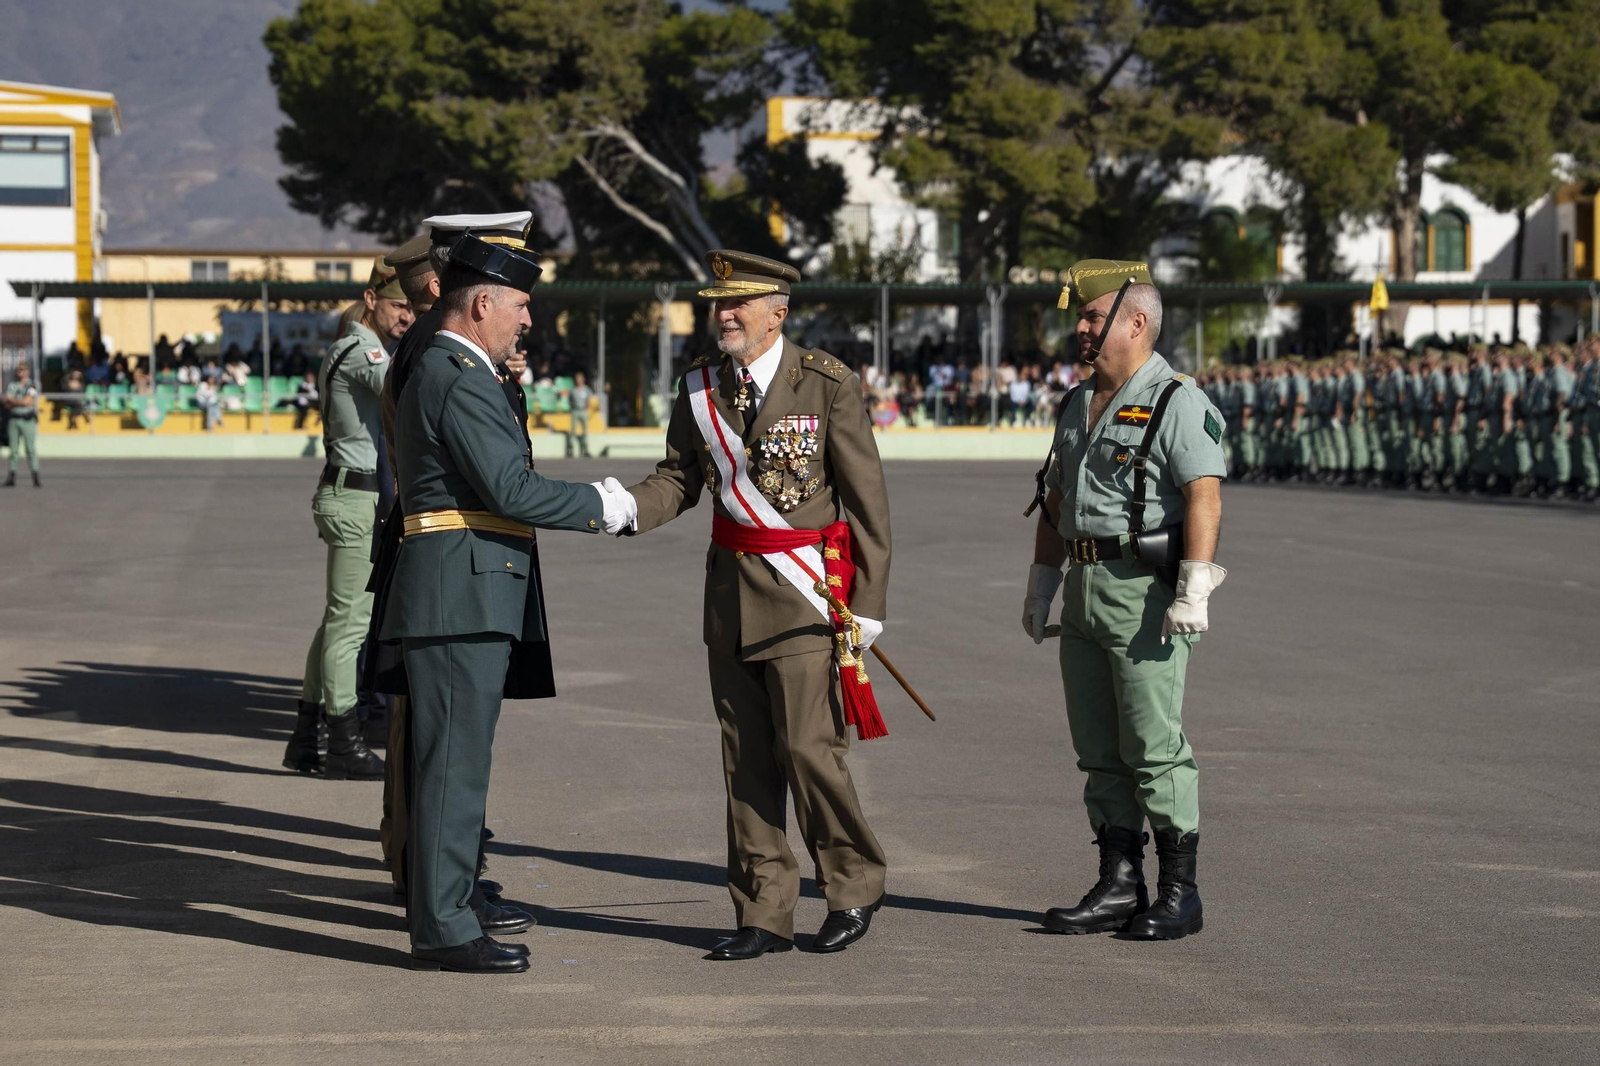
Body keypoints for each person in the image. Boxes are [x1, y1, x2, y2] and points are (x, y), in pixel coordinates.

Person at [615, 249, 893, 961]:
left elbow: (866, 504)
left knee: (808, 750)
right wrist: (622, 510)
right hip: (730, 598)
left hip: (804, 596)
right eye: (718, 303)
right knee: (746, 763)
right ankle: (764, 911)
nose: (725, 314)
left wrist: (868, 603)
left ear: (779, 310)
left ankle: (853, 884)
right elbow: (677, 479)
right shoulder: (701, 387)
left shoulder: (826, 383)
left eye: (738, 303)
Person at [378, 229, 632, 974]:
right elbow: (512, 489)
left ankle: (444, 915)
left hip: (461, 587)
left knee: (449, 766)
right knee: (453, 768)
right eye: (520, 304)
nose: (527, 319)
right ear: (483, 301)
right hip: (460, 592)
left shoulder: (456, 367)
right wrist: (607, 505)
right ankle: (446, 927)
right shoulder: (456, 374)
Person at [1022, 258, 1226, 941]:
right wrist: (1042, 582)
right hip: (1084, 588)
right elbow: (1055, 496)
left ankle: (1179, 891)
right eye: (1080, 317)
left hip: (1144, 593)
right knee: (1098, 747)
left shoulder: (1175, 400)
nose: (1078, 329)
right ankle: (1118, 882)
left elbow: (1203, 492)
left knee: (1153, 745)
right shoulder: (1078, 402)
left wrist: (1195, 585)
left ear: (1135, 323)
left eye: (1090, 316)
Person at [281, 256, 412, 780]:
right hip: (355, 498)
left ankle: (305, 735)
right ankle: (342, 740)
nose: (407, 316)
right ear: (372, 300)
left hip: (347, 493)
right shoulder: (362, 349)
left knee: (336, 620)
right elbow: (408, 389)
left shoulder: (349, 347)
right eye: (401, 306)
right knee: (350, 624)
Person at [4, 362, 41, 488]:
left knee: (30, 449)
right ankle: (12, 476)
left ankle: (35, 476)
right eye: (19, 370)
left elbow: (27, 401)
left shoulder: (32, 385)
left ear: (28, 371)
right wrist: (19, 402)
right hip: (14, 419)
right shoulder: (12, 385)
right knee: (13, 450)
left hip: (27, 420)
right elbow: (6, 400)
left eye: (23, 370)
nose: (21, 372)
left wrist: (13, 401)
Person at [564, 371, 593, 457]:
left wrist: (588, 407)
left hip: (583, 410)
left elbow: (589, 399)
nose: (579, 381)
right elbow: (570, 400)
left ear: (583, 380)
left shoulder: (586, 389)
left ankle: (585, 449)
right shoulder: (573, 390)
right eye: (577, 379)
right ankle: (571, 449)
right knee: (573, 431)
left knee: (585, 431)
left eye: (580, 379)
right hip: (575, 411)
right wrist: (572, 407)